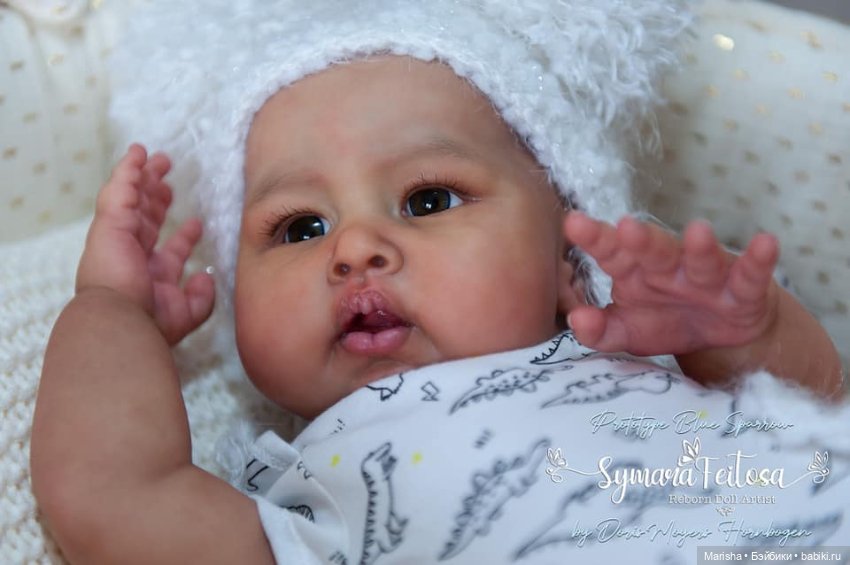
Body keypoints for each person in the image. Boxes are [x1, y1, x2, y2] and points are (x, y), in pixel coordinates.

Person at [30, 1, 846, 564]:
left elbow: (821, 422)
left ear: (569, 257)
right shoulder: (327, 493)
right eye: (299, 228)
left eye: (427, 200)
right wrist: (112, 310)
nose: (353, 248)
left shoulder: (650, 359)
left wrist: (747, 333)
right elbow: (113, 496)